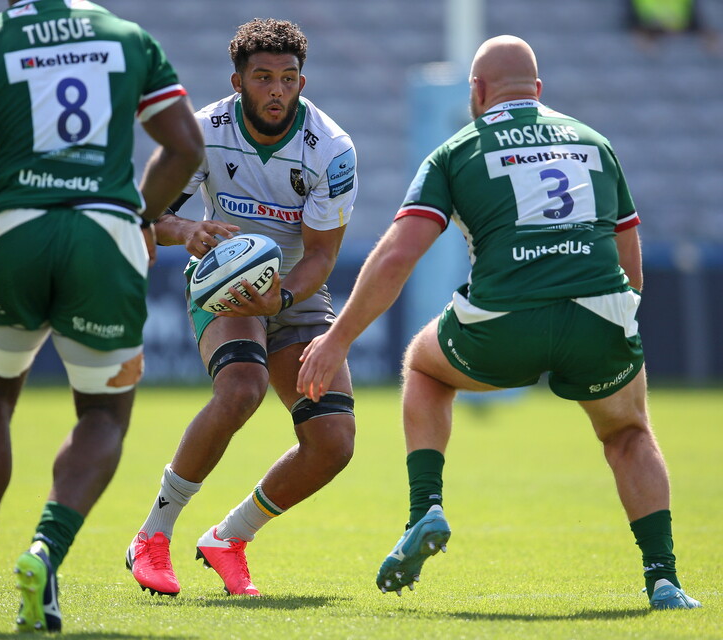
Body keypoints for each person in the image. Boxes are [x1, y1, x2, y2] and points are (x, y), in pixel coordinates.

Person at [297, 35, 701, 611]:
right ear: (538, 89)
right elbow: (629, 266)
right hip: (599, 316)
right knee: (629, 434)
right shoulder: (594, 142)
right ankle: (664, 580)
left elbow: (397, 256)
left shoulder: (456, 152)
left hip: (503, 323)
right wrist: (610, 330)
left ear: (478, 91)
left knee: (424, 367)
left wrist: (337, 340)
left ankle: (425, 508)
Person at [0, 0, 203, 632]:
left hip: (14, 231)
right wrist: (138, 216)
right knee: (103, 416)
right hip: (103, 235)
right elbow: (185, 147)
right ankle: (46, 550)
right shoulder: (127, 36)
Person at [125, 18, 358, 598]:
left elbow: (322, 253)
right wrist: (188, 230)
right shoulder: (201, 132)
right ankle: (153, 535)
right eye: (263, 77)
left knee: (333, 442)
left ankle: (228, 538)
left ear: (302, 81)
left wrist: (282, 296)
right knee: (241, 390)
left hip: (295, 288)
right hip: (224, 285)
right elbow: (149, 215)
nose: (277, 90)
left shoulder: (332, 149)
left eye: (288, 78)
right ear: (238, 81)